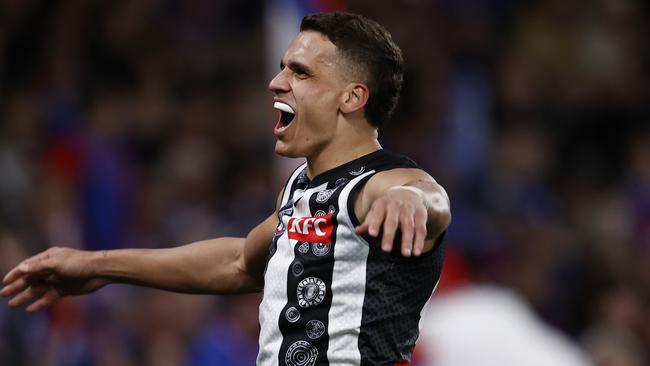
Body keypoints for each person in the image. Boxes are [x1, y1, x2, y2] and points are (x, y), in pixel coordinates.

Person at [1, 12, 450, 366]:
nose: (277, 82)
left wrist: (411, 201)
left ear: (352, 98)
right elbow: (238, 262)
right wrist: (96, 267)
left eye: (301, 72)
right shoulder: (300, 188)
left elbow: (425, 196)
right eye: (281, 68)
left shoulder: (380, 184)